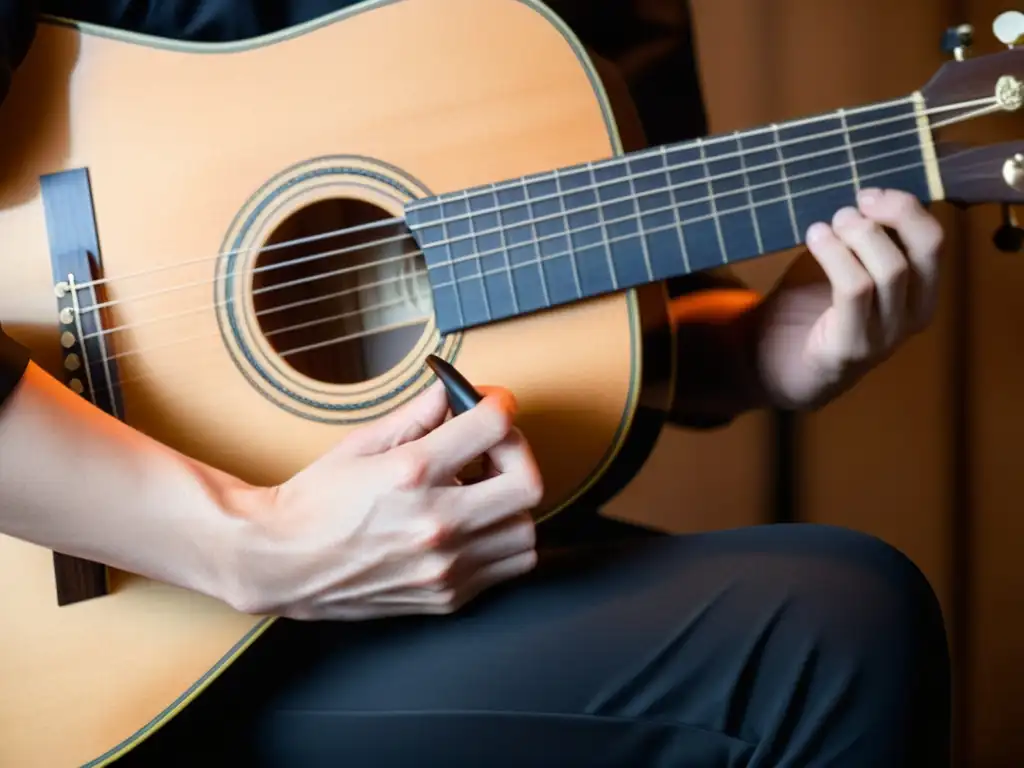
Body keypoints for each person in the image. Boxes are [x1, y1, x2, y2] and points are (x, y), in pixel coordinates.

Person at [0, 1, 951, 765]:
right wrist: (245, 545)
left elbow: (618, 290)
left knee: (845, 618)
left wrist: (757, 349)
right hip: (134, 605)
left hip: (404, 567)